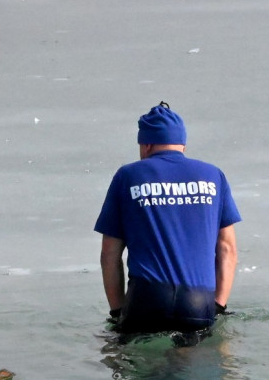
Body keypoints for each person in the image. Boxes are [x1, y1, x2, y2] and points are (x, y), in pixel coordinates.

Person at [94, 102, 240, 335]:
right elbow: (227, 250)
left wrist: (117, 313)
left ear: (146, 144)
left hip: (146, 300)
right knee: (201, 363)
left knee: (131, 363)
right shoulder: (213, 176)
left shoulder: (128, 176)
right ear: (182, 143)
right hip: (199, 300)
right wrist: (218, 306)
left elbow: (109, 255)